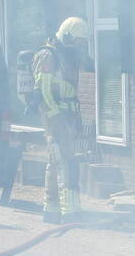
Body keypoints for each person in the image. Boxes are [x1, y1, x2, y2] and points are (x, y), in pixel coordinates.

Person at [33, 17, 92, 224]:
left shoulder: (68, 56)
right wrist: (55, 119)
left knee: (57, 160)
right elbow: (43, 92)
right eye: (78, 42)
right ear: (67, 36)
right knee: (66, 161)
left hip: (69, 116)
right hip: (55, 116)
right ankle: (70, 212)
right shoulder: (48, 56)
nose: (80, 47)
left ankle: (51, 209)